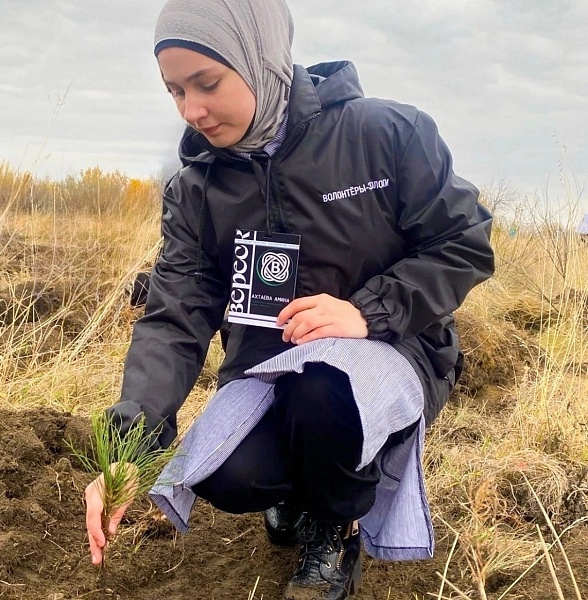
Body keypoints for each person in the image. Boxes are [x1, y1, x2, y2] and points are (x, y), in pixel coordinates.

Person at [84, 0, 495, 598]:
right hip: (263, 369)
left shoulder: (385, 136)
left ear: (262, 60)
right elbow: (174, 315)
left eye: (208, 83)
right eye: (174, 90)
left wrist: (367, 312)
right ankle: (301, 491)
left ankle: (335, 526)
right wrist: (131, 443)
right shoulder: (197, 188)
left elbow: (464, 242)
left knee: (323, 390)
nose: (192, 110)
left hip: (386, 355)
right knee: (223, 475)